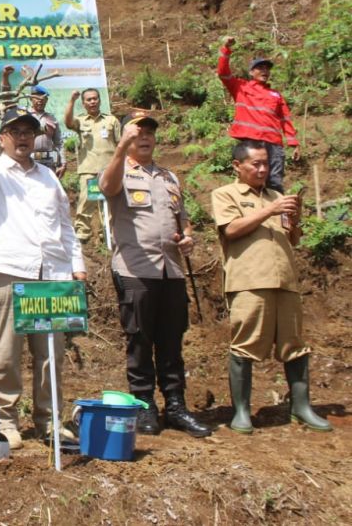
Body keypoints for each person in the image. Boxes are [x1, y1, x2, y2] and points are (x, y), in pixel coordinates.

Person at [0, 97, 86, 448]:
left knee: (50, 354)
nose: (22, 137)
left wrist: (77, 265)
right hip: (7, 271)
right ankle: (7, 422)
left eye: (28, 131)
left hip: (52, 277)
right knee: (6, 354)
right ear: (1, 139)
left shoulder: (48, 178)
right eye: (14, 131)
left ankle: (50, 421)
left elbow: (65, 225)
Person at [99, 110, 211, 438]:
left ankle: (175, 406)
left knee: (171, 340)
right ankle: (144, 404)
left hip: (171, 271)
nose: (144, 137)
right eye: (137, 132)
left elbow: (183, 219)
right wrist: (121, 147)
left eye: (149, 131)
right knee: (140, 340)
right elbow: (107, 187)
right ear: (125, 138)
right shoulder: (119, 170)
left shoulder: (169, 177)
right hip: (136, 270)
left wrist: (188, 237)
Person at [212, 140, 331, 434]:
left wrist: (292, 221)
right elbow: (232, 230)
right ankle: (241, 412)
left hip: (285, 281)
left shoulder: (276, 195)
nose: (263, 169)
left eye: (266, 163)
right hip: (250, 281)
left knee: (295, 345)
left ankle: (301, 407)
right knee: (245, 345)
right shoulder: (225, 194)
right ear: (237, 166)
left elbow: (293, 240)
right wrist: (270, 210)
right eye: (256, 164)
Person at [217, 36, 300, 192]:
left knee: (275, 182)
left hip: (274, 145)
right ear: (251, 72)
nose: (265, 71)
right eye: (260, 68)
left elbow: (285, 119)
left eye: (267, 69)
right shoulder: (241, 87)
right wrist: (226, 48)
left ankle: (276, 214)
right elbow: (223, 72)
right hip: (251, 142)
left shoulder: (275, 94)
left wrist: (294, 143)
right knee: (249, 180)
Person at [64, 88, 121, 243]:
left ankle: (108, 233)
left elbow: (120, 144)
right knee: (86, 202)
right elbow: (68, 122)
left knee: (110, 203)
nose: (92, 101)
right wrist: (72, 100)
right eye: (89, 99)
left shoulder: (111, 120)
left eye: (95, 98)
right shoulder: (81, 121)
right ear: (84, 103)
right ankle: (82, 233)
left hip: (109, 171)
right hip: (89, 169)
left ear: (99, 100)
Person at [25, 84, 66, 177]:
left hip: (49, 161)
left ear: (46, 100)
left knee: (49, 189)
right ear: (31, 99)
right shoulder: (25, 116)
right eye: (37, 98)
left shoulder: (52, 118)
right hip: (29, 160)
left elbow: (58, 142)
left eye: (43, 99)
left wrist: (63, 162)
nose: (40, 101)